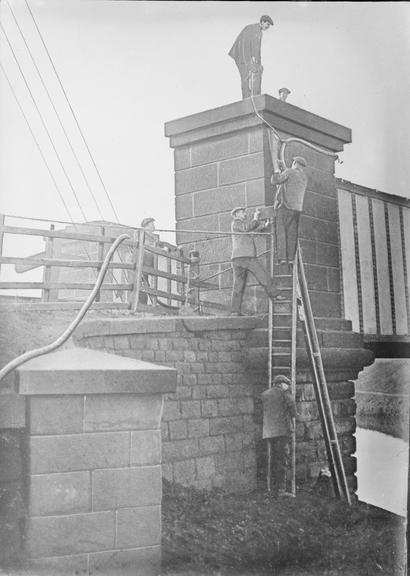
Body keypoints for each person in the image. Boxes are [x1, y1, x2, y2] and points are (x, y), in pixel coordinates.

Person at [230, 206, 284, 316]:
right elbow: (247, 227)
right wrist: (255, 217)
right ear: (236, 215)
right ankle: (275, 294)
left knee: (238, 285)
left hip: (238, 258)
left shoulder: (239, 226)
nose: (244, 214)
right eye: (242, 212)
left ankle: (235, 311)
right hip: (245, 257)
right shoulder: (237, 223)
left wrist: (265, 225)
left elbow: (252, 230)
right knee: (262, 274)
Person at [262, 374, 297, 496]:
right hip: (283, 432)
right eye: (286, 385)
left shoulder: (265, 394)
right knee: (282, 459)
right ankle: (281, 489)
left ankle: (269, 487)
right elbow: (293, 412)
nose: (287, 387)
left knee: (271, 458)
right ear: (282, 384)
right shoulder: (286, 395)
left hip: (269, 431)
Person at [271, 156, 308, 264]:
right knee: (291, 234)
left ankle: (282, 258)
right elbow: (290, 183)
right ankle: (291, 259)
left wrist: (278, 171)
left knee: (281, 232)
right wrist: (284, 169)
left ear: (295, 162)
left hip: (285, 207)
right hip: (297, 209)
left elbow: (276, 180)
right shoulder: (304, 177)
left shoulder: (290, 171)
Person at [229, 15, 274, 99]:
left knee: (257, 71)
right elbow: (244, 46)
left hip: (248, 57)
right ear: (262, 22)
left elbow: (257, 51)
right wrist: (248, 63)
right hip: (240, 55)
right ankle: (246, 99)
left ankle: (255, 97)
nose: (268, 27)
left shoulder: (259, 33)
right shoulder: (251, 29)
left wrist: (259, 64)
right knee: (246, 76)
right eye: (267, 24)